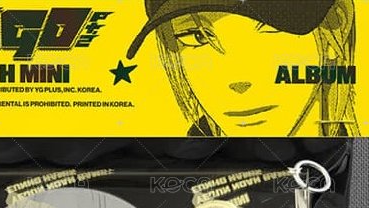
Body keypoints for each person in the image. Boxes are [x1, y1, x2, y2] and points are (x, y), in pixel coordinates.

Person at [127, 0, 359, 136]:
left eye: (270, 28)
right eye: (198, 37)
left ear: (336, 26)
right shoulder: (169, 172)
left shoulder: (354, 172)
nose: (237, 79)